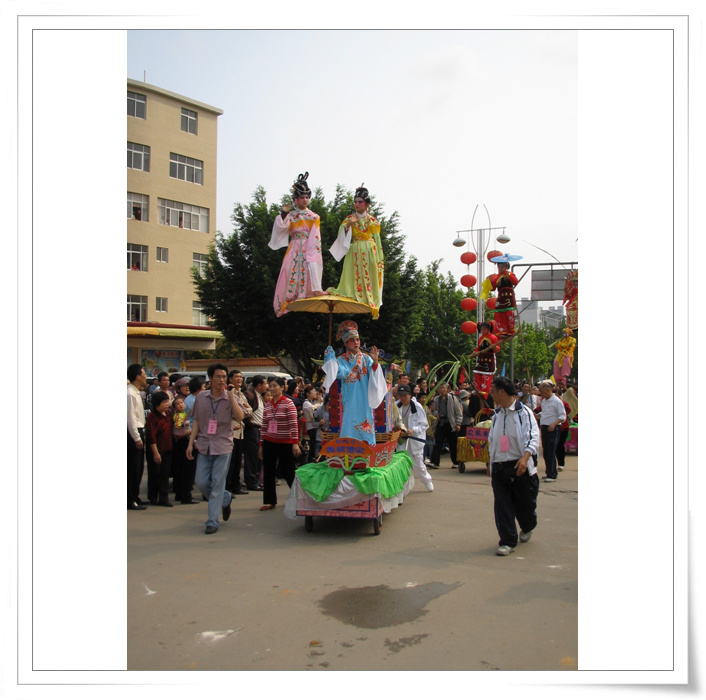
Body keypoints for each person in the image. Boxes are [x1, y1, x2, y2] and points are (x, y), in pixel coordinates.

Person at [186, 363, 246, 534]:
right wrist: (190, 443)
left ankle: (212, 521)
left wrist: (232, 396)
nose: (221, 380)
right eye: (218, 376)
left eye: (224, 377)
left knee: (218, 483)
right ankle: (225, 498)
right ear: (210, 378)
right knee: (202, 482)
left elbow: (240, 416)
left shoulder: (230, 397)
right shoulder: (201, 397)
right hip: (204, 445)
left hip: (223, 445)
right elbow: (197, 421)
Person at [487, 376, 540, 556]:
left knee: (524, 506)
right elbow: (492, 441)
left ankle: (528, 526)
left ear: (501, 392)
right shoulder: (497, 415)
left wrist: (525, 458)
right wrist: (491, 462)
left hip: (520, 465)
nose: (491, 394)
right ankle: (508, 541)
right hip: (500, 466)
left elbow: (533, 437)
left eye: (493, 391)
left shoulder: (524, 413)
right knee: (502, 506)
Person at [322, 319, 387, 445]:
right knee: (349, 425)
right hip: (350, 400)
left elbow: (375, 377)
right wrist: (330, 360)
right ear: (346, 343)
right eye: (352, 340)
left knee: (365, 427)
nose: (356, 342)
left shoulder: (366, 359)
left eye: (357, 339)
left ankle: (367, 449)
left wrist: (375, 362)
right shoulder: (342, 360)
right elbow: (337, 372)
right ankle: (348, 450)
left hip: (364, 401)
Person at [269, 172, 324, 316]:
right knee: (287, 270)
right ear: (295, 200)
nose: (305, 200)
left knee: (308, 269)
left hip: (308, 246)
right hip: (293, 246)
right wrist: (283, 214)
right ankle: (285, 303)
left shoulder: (313, 217)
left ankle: (306, 297)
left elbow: (315, 237)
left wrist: (312, 255)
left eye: (307, 197)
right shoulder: (291, 215)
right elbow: (282, 228)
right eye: (302, 197)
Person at [327, 183, 384, 318]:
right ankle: (352, 294)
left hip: (369, 251)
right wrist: (348, 225)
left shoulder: (372, 221)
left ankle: (368, 298)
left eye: (360, 202)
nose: (357, 204)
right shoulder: (349, 219)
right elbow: (341, 237)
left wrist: (379, 258)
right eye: (355, 202)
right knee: (352, 275)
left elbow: (377, 240)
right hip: (354, 250)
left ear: (367, 204)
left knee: (370, 275)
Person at [258, 377, 301, 511]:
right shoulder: (268, 405)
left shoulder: (288, 403)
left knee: (288, 472)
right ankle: (269, 501)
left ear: (282, 387)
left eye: (274, 386)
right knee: (269, 472)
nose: (271, 389)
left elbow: (293, 424)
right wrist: (261, 445)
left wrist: (295, 443)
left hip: (285, 443)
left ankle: (299, 498)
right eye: (270, 386)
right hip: (269, 442)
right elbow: (264, 425)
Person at [395, 384, 434, 492]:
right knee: (403, 463)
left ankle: (427, 481)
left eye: (405, 395)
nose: (402, 398)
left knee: (418, 464)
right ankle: (404, 487)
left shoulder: (417, 407)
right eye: (400, 395)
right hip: (402, 439)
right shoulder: (395, 406)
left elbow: (424, 424)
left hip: (415, 439)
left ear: (409, 395)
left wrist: (413, 430)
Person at [145, 391, 175, 507]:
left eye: (167, 401)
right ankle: (153, 497)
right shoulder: (152, 417)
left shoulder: (168, 414)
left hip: (167, 448)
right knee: (154, 474)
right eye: (164, 402)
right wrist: (156, 453)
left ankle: (164, 498)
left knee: (164, 474)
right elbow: (151, 436)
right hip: (156, 449)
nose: (167, 404)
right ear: (157, 403)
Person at [225, 369, 252, 495]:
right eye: (236, 377)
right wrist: (243, 411)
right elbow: (233, 412)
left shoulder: (241, 394)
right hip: (232, 430)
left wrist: (244, 411)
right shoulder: (228, 393)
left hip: (241, 431)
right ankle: (228, 487)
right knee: (230, 462)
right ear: (230, 379)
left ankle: (236, 486)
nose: (239, 379)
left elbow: (249, 411)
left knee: (237, 462)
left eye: (241, 377)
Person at [127, 364, 148, 510]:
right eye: (144, 374)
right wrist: (136, 438)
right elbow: (130, 418)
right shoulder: (129, 394)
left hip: (139, 430)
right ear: (138, 377)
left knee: (139, 467)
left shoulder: (136, 392)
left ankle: (135, 496)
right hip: (133, 432)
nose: (146, 376)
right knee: (132, 468)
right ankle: (129, 499)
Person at [536, 380, 566, 483]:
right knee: (546, 451)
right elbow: (545, 412)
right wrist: (538, 415)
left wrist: (554, 424)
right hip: (544, 426)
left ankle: (552, 474)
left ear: (548, 390)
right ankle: (550, 471)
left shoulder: (557, 401)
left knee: (550, 451)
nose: (540, 393)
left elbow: (562, 416)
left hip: (553, 428)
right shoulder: (544, 401)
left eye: (541, 391)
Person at [480, 261, 519, 338]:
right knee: (498, 314)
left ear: (506, 267)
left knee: (509, 313)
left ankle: (510, 330)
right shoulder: (497, 277)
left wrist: (508, 276)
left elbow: (515, 282)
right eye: (499, 267)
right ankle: (502, 331)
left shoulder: (510, 274)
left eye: (502, 267)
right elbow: (493, 288)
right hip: (500, 297)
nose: (500, 268)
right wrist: (489, 281)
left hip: (508, 297)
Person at [429, 383, 463, 469]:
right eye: (439, 388)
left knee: (453, 444)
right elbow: (434, 410)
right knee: (437, 443)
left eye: (443, 388)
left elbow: (458, 412)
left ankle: (456, 462)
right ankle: (435, 462)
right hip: (441, 423)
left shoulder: (453, 398)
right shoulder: (436, 399)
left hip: (451, 424)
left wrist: (458, 423)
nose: (441, 390)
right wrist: (436, 413)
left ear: (447, 389)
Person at [171, 396, 197, 504]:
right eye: (177, 404)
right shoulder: (178, 415)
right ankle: (185, 495)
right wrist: (184, 425)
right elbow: (178, 426)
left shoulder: (184, 414)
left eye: (181, 403)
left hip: (185, 439)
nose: (181, 405)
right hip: (183, 440)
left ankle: (181, 494)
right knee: (186, 468)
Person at [243, 376, 267, 492]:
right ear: (259, 385)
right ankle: (251, 482)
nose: (267, 386)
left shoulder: (260, 396)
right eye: (265, 384)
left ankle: (256, 480)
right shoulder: (250, 395)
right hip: (252, 429)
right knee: (252, 457)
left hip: (260, 429)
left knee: (259, 456)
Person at [471, 320, 499, 399]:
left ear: (488, 329)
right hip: (481, 358)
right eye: (482, 329)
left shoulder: (493, 337)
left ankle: (484, 392)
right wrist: (474, 352)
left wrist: (494, 347)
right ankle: (478, 389)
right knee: (477, 372)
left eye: (484, 329)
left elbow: (497, 348)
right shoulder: (481, 338)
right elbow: (478, 348)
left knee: (487, 376)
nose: (483, 331)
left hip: (489, 359)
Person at [301, 384, 321, 463]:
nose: (315, 393)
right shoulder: (306, 403)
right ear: (307, 394)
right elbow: (312, 410)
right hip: (310, 427)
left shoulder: (313, 402)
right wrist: (320, 403)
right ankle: (310, 461)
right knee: (312, 446)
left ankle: (311, 460)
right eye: (313, 391)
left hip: (315, 427)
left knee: (313, 446)